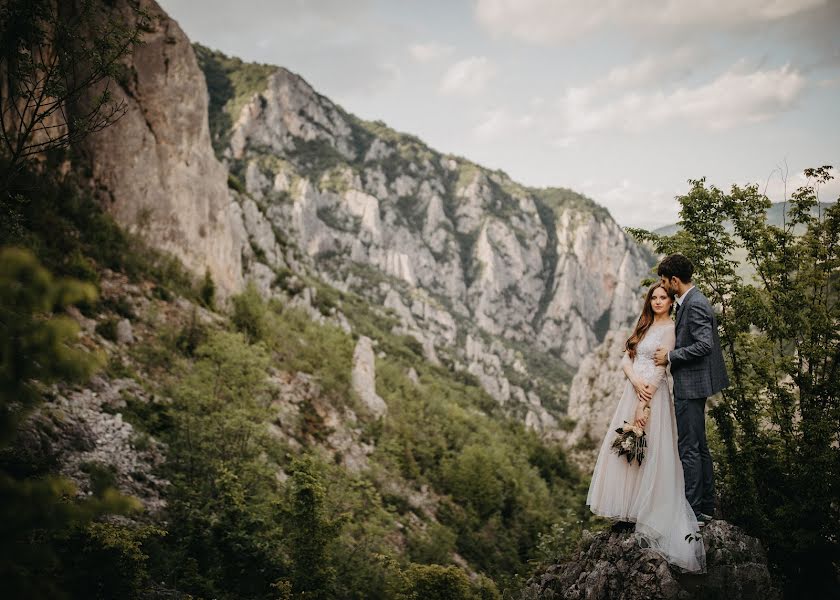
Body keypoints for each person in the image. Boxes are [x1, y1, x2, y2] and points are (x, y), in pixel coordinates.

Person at [587, 282, 706, 573]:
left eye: (663, 297)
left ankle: (645, 508)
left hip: (652, 397)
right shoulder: (644, 324)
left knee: (648, 447)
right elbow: (626, 358)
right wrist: (634, 382)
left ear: (670, 301)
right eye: (653, 297)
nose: (657, 301)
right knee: (627, 449)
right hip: (633, 391)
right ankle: (627, 509)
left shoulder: (671, 329)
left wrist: (645, 401)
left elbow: (660, 369)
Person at [654, 253, 729, 526]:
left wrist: (671, 356)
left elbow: (704, 345)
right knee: (699, 446)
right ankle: (706, 506)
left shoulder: (694, 304)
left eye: (665, 281)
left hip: (691, 385)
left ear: (675, 280)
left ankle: (693, 512)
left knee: (689, 447)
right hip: (696, 383)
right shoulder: (691, 301)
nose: (663, 286)